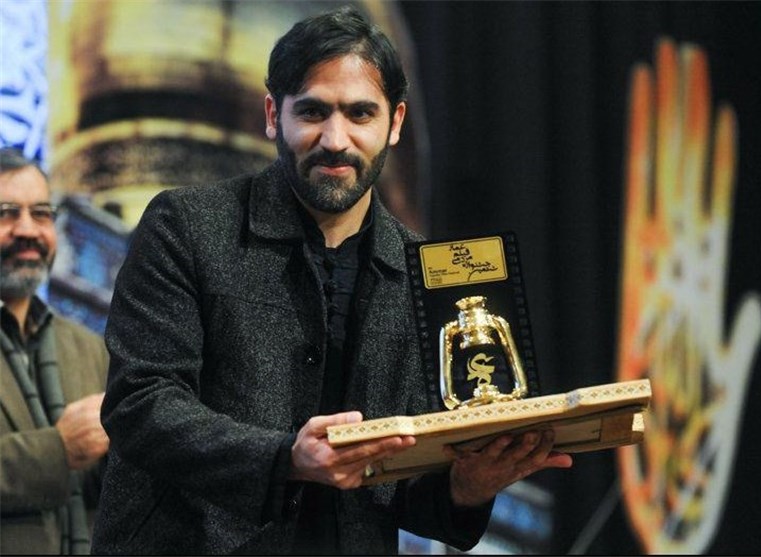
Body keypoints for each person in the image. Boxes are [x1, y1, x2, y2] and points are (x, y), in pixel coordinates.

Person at [92, 6, 573, 555]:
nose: (335, 139)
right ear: (273, 115)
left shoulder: (421, 269)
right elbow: (140, 403)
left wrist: (468, 487)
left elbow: (401, 479)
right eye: (313, 111)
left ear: (395, 123)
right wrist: (285, 459)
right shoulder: (187, 225)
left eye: (360, 114)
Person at [0, 147, 110, 555]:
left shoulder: (87, 346)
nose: (27, 230)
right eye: (7, 213)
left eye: (42, 213)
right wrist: (57, 451)